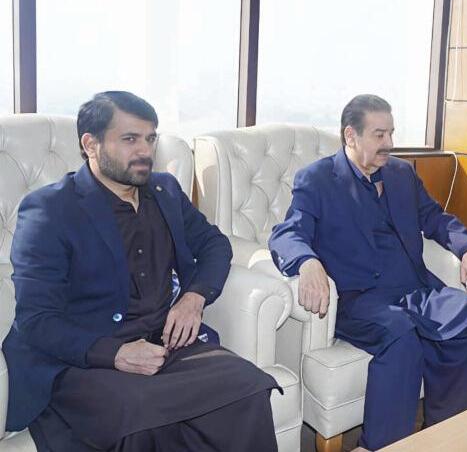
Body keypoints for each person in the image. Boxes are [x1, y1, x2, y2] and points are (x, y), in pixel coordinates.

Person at [2, 91, 280, 451]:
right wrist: (114, 354)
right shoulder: (50, 210)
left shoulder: (165, 191)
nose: (145, 151)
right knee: (139, 418)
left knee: (249, 385)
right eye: (130, 139)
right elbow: (37, 320)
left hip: (165, 345)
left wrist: (194, 297)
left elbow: (215, 244)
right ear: (90, 144)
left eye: (150, 138)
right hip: (86, 359)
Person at [269, 94, 467, 450]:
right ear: (351, 135)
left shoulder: (402, 173)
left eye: (391, 133)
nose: (389, 143)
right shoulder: (318, 179)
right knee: (401, 334)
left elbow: (435, 218)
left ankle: (444, 433)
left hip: (414, 288)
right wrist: (307, 262)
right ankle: (381, 445)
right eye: (379, 134)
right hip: (358, 298)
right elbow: (288, 233)